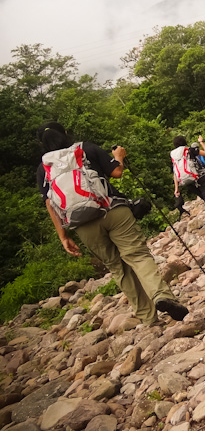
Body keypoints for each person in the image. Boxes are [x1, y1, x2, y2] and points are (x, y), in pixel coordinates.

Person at [36, 122, 188, 326]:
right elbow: (116, 172)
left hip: (83, 225)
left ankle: (148, 318)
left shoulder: (43, 169)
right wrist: (119, 157)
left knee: (118, 269)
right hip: (113, 211)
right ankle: (162, 296)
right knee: (137, 256)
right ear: (65, 133)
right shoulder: (85, 149)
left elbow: (49, 203)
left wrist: (64, 237)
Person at [172, 135, 205, 230]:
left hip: (187, 182)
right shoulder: (189, 150)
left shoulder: (174, 156)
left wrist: (176, 188)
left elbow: (175, 172)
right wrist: (201, 142)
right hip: (199, 178)